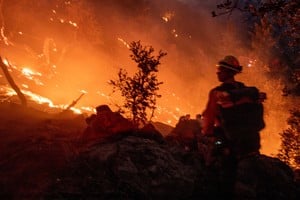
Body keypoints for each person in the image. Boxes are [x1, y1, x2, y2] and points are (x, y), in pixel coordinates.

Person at [201, 55, 266, 197]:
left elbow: (208, 122)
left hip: (229, 148)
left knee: (222, 184)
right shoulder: (247, 92)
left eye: (220, 69)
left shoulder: (217, 93)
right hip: (250, 147)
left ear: (228, 72)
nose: (217, 72)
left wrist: (208, 136)